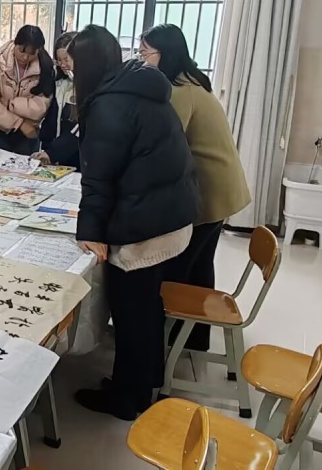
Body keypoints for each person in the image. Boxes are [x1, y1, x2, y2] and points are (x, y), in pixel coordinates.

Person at [72, 24, 199, 420]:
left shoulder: (110, 104)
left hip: (147, 225)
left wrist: (90, 231)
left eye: (73, 65)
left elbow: (100, 177)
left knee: (131, 312)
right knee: (146, 307)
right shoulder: (139, 87)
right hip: (171, 215)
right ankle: (146, 380)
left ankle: (128, 399)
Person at [139, 24, 251, 352]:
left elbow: (165, 144)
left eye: (145, 53)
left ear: (165, 54)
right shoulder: (191, 81)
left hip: (209, 188)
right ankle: (196, 337)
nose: (142, 60)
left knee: (178, 265)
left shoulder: (180, 91)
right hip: (221, 185)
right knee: (201, 263)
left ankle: (169, 338)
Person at [0, 25, 55, 154]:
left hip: (29, 133)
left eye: (31, 54)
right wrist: (19, 123)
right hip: (1, 130)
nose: (25, 57)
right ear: (15, 43)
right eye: (22, 51)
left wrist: (11, 104)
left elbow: (41, 107)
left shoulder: (45, 68)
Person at [36, 31, 79, 167]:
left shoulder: (86, 86)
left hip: (75, 156)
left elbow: (79, 128)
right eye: (59, 60)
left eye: (66, 59)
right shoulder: (57, 82)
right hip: (52, 152)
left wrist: (53, 152)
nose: (62, 64)